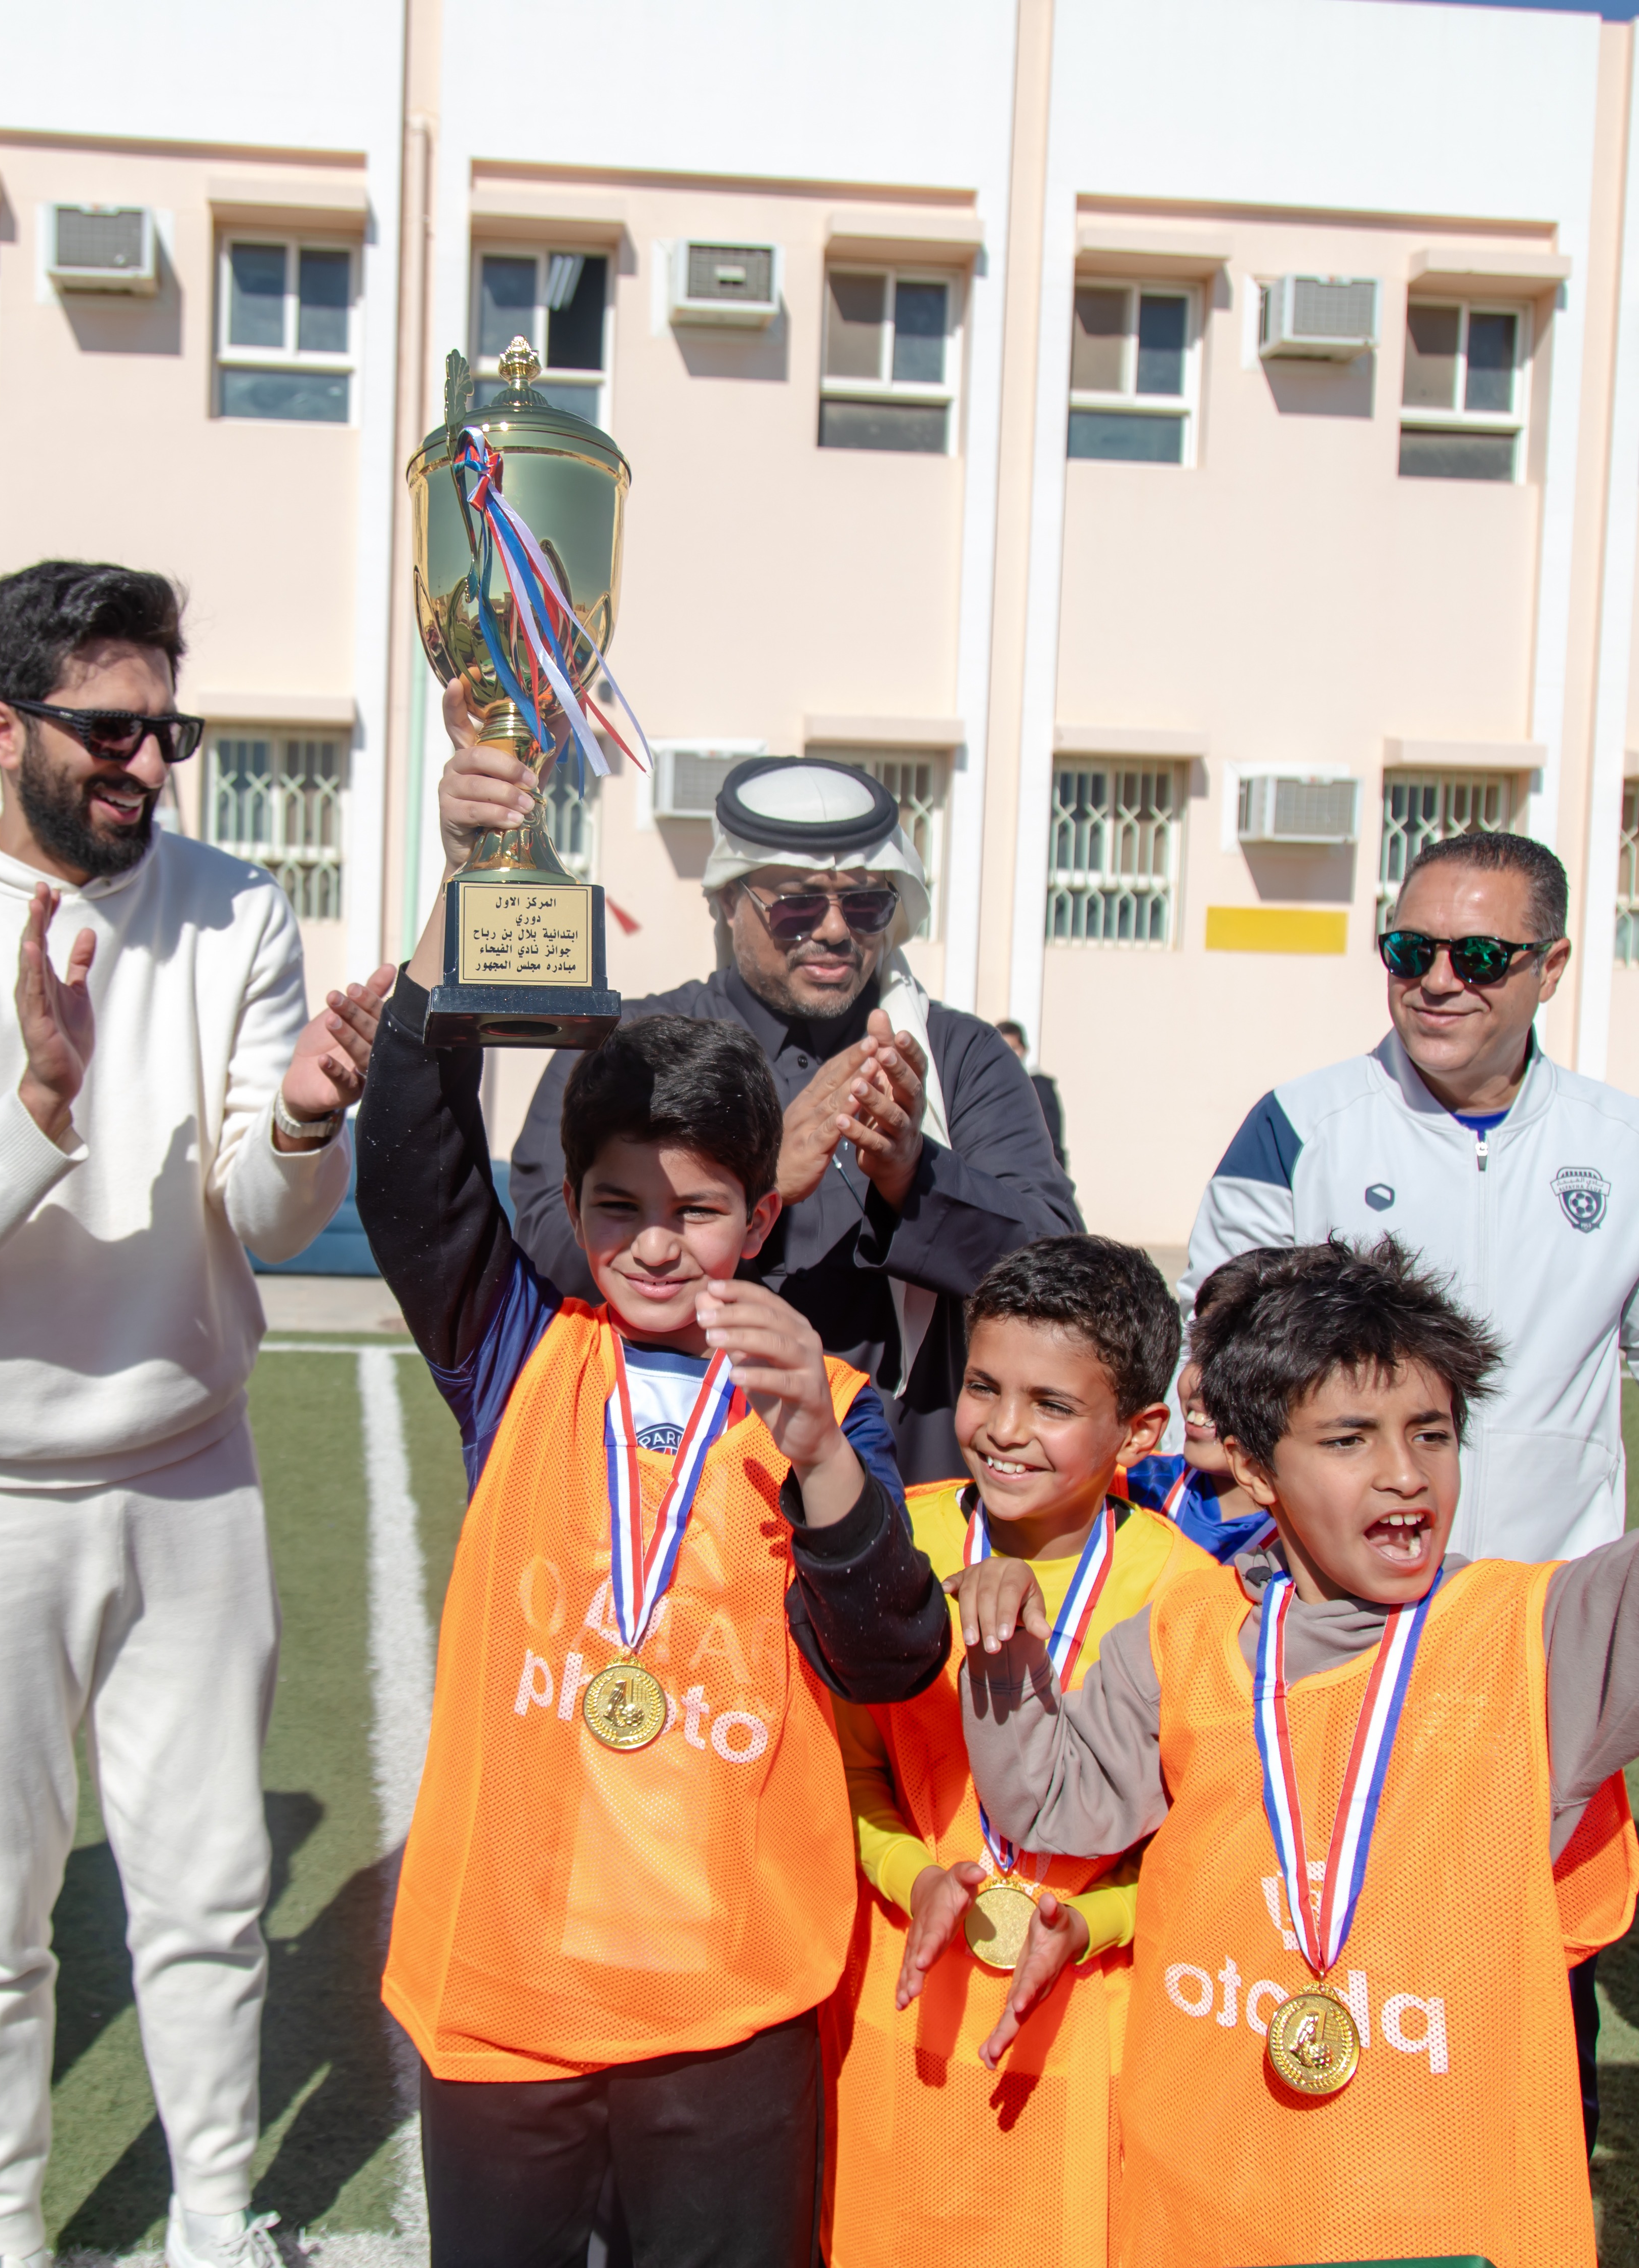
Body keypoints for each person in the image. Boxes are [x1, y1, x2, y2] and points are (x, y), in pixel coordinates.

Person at [959, 1130, 1639, 2268]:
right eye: (1350, 1439)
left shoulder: (1530, 1638)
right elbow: (1058, 1806)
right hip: (1201, 2213)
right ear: (1249, 1464)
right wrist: (1004, 1661)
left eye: (1432, 1433)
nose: (1405, 1472)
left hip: (1443, 2229)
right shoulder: (1190, 1632)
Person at [0, 562, 384, 2268]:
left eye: (166, 731)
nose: (145, 763)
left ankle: (211, 2219)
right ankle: (6, 2240)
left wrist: (302, 1122)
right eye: (109, 731)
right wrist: (36, 1112)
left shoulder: (234, 911)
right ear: (4, 728)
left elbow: (265, 1216)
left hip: (188, 1471)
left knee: (210, 1897)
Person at [363, 719, 949, 2268]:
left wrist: (824, 1462)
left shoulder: (820, 1400)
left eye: (697, 1208)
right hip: (508, 1999)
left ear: (762, 1212)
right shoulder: (517, 1351)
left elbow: (893, 1657)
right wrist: (459, 900)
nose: (655, 1243)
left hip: (723, 2009)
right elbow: (413, 1170)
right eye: (617, 1204)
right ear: (570, 1201)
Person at [1183, 827, 1639, 1564]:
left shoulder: (1634, 1145)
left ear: (1551, 968)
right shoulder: (1297, 1126)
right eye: (1410, 951)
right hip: (1337, 1593)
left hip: (1549, 1585)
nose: (1438, 981)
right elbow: (1213, 1345)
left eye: (1478, 957)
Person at [506, 752, 1080, 1482]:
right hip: (672, 1492)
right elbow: (544, 1259)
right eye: (798, 905)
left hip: (905, 1494)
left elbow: (1061, 1279)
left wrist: (916, 1177)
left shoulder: (955, 1058)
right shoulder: (630, 1048)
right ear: (728, 901)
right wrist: (760, 1182)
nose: (836, 930)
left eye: (865, 905)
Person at [821, 1235, 1188, 2262]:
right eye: (985, 1386)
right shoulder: (895, 1547)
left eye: (1053, 1404)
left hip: (1094, 2034)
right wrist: (911, 1870)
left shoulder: (1188, 1597)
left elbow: (1200, 1839)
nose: (1006, 1428)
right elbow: (846, 1768)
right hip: (901, 2014)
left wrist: (1096, 1920)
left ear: (1140, 1430)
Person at [1122, 1251, 1277, 1565]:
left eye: (1234, 1365)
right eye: (1198, 1353)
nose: (1199, 1381)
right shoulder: (1128, 1484)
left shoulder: (1326, 1541)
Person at [993, 1017, 1067, 1168]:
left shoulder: (1039, 1086)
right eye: (1003, 1049)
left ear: (1024, 1049)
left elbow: (1053, 1143)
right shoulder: (989, 1087)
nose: (1009, 1055)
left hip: (1032, 1172)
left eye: (1014, 1049)